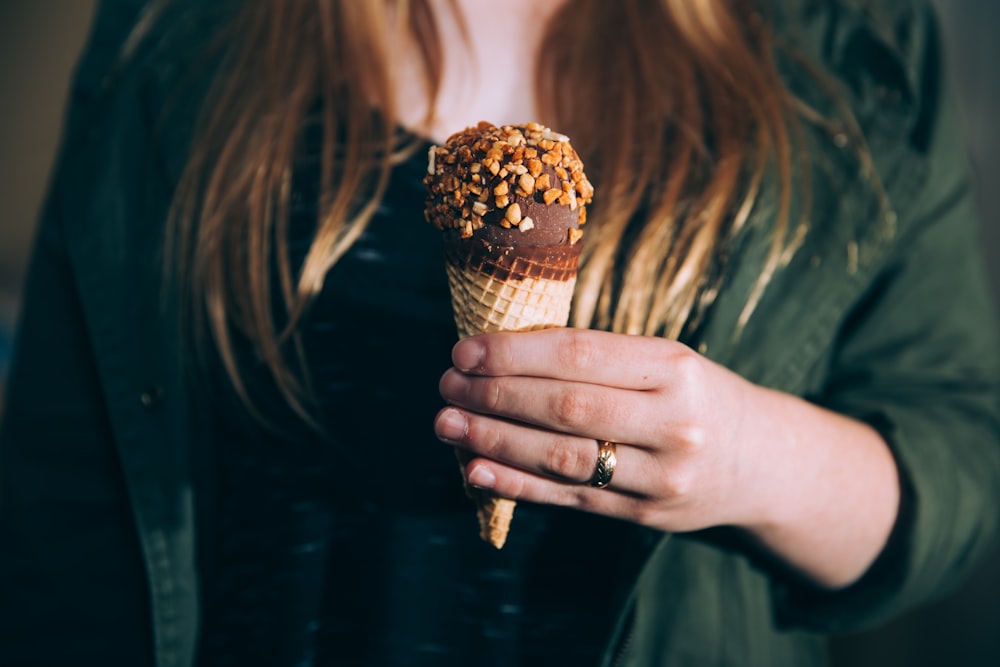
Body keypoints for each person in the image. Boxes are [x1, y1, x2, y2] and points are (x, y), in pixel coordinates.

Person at [2, 0, 998, 665]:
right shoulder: (180, 27)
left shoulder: (851, 33)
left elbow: (964, 462)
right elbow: (61, 486)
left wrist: (748, 453)